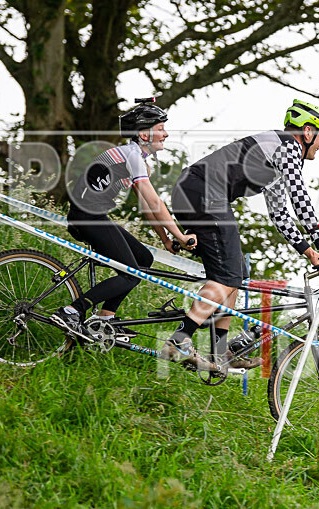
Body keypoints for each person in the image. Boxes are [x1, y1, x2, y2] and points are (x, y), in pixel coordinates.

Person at [163, 99, 319, 371]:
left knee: (235, 271)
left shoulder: (276, 154)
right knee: (228, 276)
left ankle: (219, 353)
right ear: (307, 132)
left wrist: (307, 250)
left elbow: (280, 213)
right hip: (203, 194)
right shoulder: (288, 147)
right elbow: (300, 197)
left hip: (195, 192)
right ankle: (180, 338)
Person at [50, 99, 209, 367]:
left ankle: (105, 318)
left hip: (94, 216)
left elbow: (147, 207)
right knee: (131, 272)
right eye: (161, 128)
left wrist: (166, 239)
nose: (166, 134)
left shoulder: (139, 160)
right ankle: (72, 311)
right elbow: (155, 200)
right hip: (86, 217)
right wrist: (181, 236)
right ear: (144, 133)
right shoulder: (132, 154)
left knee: (143, 260)